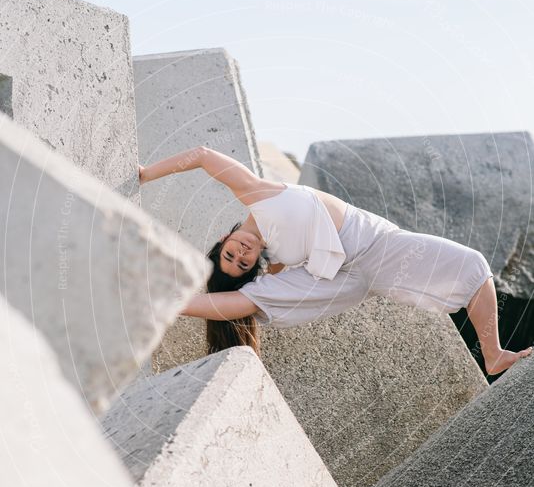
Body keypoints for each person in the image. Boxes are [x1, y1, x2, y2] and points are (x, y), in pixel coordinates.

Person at [139, 145, 533, 375]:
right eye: (241, 264)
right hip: (336, 278)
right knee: (248, 302)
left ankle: (493, 355)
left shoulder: (256, 193)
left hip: (375, 250)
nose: (241, 254)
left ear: (225, 238)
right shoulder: (273, 261)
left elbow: (203, 156)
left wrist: (145, 174)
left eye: (232, 253)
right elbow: (254, 287)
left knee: (473, 266)